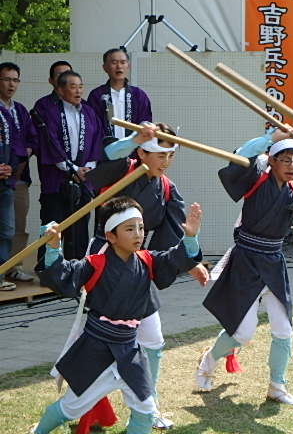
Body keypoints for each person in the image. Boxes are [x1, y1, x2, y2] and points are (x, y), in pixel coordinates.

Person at [31, 196, 203, 434]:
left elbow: (174, 258)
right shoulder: (95, 263)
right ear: (111, 236)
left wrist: (190, 237)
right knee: (70, 408)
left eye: (141, 228)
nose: (138, 234)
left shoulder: (147, 260)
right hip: (96, 349)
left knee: (145, 410)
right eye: (130, 228)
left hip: (130, 351)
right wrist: (53, 247)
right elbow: (63, 275)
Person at [82, 122, 209, 429]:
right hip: (103, 264)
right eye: (159, 155)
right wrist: (134, 139)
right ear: (141, 153)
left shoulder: (165, 187)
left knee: (152, 340)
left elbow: (178, 231)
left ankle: (146, 406)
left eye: (170, 156)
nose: (165, 162)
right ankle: (77, 408)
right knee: (93, 345)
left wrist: (191, 261)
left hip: (138, 266)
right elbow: (107, 155)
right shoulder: (122, 168)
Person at [197, 125, 293, 405]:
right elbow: (238, 159)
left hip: (274, 262)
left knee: (284, 329)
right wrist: (270, 139)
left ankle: (277, 386)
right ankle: (208, 361)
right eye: (286, 159)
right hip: (246, 260)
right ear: (271, 160)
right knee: (242, 333)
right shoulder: (255, 178)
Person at [33, 70, 103, 269]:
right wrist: (71, 169)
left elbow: (97, 141)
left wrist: (88, 168)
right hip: (58, 179)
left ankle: (77, 268)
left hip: (84, 178)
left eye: (80, 86)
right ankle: (48, 269)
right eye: (72, 86)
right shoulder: (51, 112)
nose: (78, 91)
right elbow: (50, 143)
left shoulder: (89, 112)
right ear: (60, 89)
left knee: (80, 226)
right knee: (54, 223)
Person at [0, 61, 37, 283]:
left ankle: (9, 268)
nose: (11, 84)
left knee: (11, 228)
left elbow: (32, 139)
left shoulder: (21, 110)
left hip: (15, 177)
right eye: (6, 79)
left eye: (15, 80)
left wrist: (22, 155)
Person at [87, 48, 152, 138]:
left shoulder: (138, 95)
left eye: (123, 62)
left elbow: (146, 122)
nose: (119, 66)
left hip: (134, 149)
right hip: (105, 149)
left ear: (128, 66)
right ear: (105, 67)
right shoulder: (97, 95)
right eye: (114, 63)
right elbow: (92, 126)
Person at [0, 105, 18, 291]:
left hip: (5, 183)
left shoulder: (4, 113)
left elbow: (15, 144)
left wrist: (10, 167)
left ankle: (1, 273)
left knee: (6, 231)